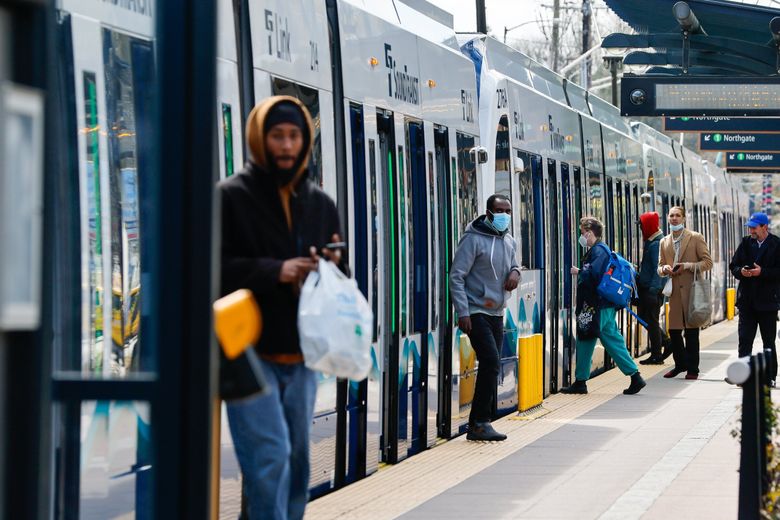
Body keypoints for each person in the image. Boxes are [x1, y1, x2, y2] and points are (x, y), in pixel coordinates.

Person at [219, 95, 345, 520]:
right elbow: (210, 270)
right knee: (269, 454)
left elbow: (343, 269)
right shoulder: (230, 198)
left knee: (295, 460)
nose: (287, 146)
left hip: (302, 355)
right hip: (246, 353)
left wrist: (330, 266)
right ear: (260, 139)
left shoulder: (321, 204)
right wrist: (277, 270)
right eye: (277, 136)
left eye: (294, 136)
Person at [450, 194, 521, 441]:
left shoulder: (509, 240)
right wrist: (463, 312)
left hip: (497, 312)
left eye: (508, 211)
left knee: (493, 363)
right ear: (489, 213)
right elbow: (456, 276)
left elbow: (515, 265)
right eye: (500, 211)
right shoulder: (472, 240)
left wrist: (515, 272)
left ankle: (481, 421)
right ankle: (479, 423)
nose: (505, 215)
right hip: (475, 311)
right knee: (490, 360)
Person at [560, 216, 646, 395]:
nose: (582, 237)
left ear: (590, 233)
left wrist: (579, 271)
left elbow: (595, 274)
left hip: (595, 306)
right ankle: (635, 376)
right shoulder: (602, 249)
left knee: (585, 338)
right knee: (613, 341)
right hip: (604, 306)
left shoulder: (599, 250)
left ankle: (581, 381)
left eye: (583, 233)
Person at [658, 206, 713, 381]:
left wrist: (687, 266)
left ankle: (693, 369)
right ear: (667, 218)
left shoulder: (695, 238)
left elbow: (708, 262)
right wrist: (664, 269)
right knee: (674, 332)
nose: (674, 219)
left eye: (677, 216)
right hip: (673, 294)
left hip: (692, 292)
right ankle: (680, 365)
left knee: (691, 333)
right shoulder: (663, 241)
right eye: (671, 215)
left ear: (683, 218)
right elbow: (659, 267)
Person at [729, 212, 780, 386]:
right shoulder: (745, 243)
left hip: (768, 302)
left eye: (754, 227)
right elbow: (733, 265)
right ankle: (742, 375)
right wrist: (741, 271)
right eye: (750, 227)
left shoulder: (776, 244)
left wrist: (762, 272)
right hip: (747, 302)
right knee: (744, 339)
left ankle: (770, 376)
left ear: (764, 227)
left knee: (768, 341)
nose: (751, 230)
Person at [636, 211, 670, 365]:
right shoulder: (653, 241)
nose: (641, 229)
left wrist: (653, 290)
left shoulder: (657, 243)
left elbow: (660, 269)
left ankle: (657, 354)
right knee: (647, 319)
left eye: (642, 226)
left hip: (652, 290)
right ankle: (665, 344)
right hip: (648, 288)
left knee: (652, 321)